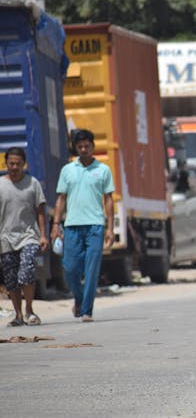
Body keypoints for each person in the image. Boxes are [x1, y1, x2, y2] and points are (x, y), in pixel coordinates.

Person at [51, 129, 115, 323]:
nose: (84, 149)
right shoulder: (68, 170)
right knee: (69, 268)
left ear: (93, 146)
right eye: (80, 146)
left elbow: (109, 200)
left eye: (87, 146)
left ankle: (86, 310)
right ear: (76, 148)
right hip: (72, 226)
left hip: (96, 226)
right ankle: (79, 299)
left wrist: (110, 228)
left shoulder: (103, 170)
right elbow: (61, 199)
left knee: (92, 269)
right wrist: (56, 224)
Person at [0, 147, 48, 326]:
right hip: (5, 239)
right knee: (11, 280)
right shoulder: (1, 185)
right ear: (6, 164)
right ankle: (18, 315)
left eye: (18, 164)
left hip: (29, 236)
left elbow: (41, 211)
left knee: (26, 272)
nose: (14, 167)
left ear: (24, 164)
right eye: (11, 163)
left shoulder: (32, 183)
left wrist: (43, 235)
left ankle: (29, 310)